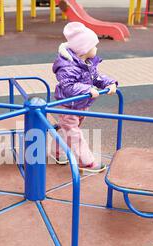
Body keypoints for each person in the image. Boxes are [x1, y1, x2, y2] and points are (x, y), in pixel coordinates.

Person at [51, 22, 118, 173]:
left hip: (81, 106)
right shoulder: (67, 66)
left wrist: (110, 83)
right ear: (84, 49)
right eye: (95, 45)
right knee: (74, 134)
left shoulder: (87, 63)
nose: (97, 48)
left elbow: (97, 77)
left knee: (67, 130)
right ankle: (86, 162)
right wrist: (87, 88)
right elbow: (68, 87)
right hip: (68, 107)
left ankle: (57, 152)